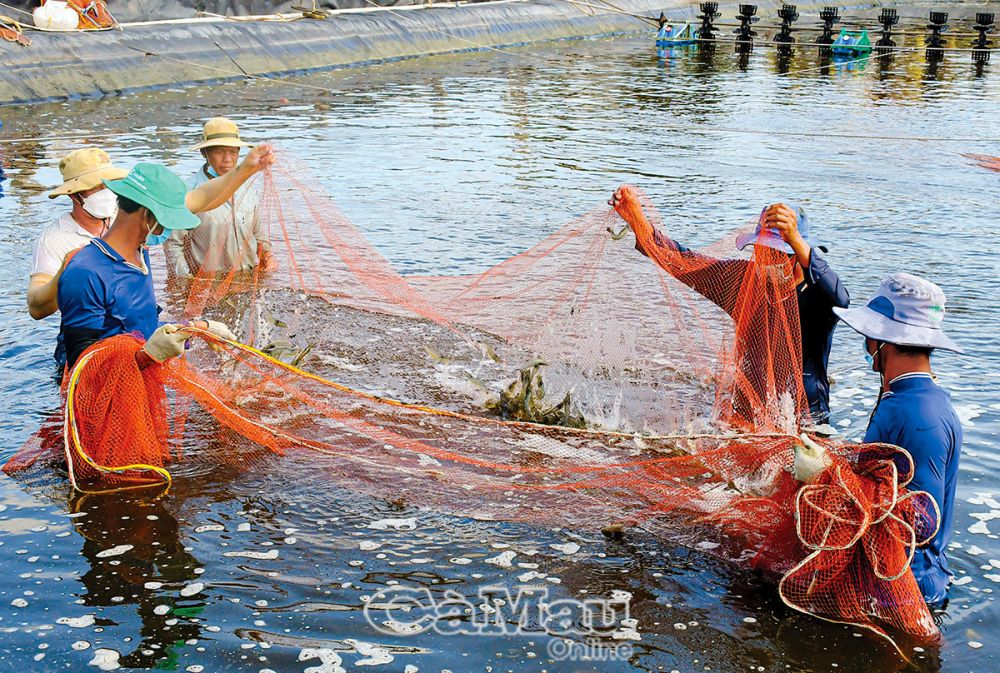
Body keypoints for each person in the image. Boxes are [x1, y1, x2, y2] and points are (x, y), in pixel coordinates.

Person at [610, 189, 849, 427]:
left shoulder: (819, 298)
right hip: (747, 412)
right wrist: (637, 220)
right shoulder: (743, 282)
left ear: (798, 254)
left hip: (805, 417)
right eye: (764, 251)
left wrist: (795, 239)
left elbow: (841, 298)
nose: (769, 260)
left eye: (780, 253)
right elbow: (682, 261)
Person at [58, 145, 274, 370]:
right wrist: (146, 356)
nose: (168, 230)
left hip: (142, 385)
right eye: (167, 222)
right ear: (147, 216)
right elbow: (82, 370)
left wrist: (197, 328)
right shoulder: (86, 274)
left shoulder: (139, 254)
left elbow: (145, 327)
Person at [833, 273, 963, 605]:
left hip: (901, 591)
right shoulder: (928, 401)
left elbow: (921, 521)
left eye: (868, 334)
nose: (865, 344)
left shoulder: (911, 413)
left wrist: (827, 474)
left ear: (882, 341)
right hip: (911, 581)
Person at [164, 117, 274, 280]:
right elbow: (173, 245)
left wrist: (267, 255)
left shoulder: (247, 188)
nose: (227, 159)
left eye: (233, 152)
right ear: (205, 153)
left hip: (248, 278)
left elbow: (257, 231)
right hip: (209, 282)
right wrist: (184, 284)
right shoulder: (188, 192)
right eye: (219, 152)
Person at [29, 148, 126, 323]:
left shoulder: (124, 218)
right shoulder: (54, 239)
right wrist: (67, 269)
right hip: (88, 328)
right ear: (74, 194)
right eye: (95, 187)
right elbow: (36, 308)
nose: (106, 192)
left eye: (108, 184)